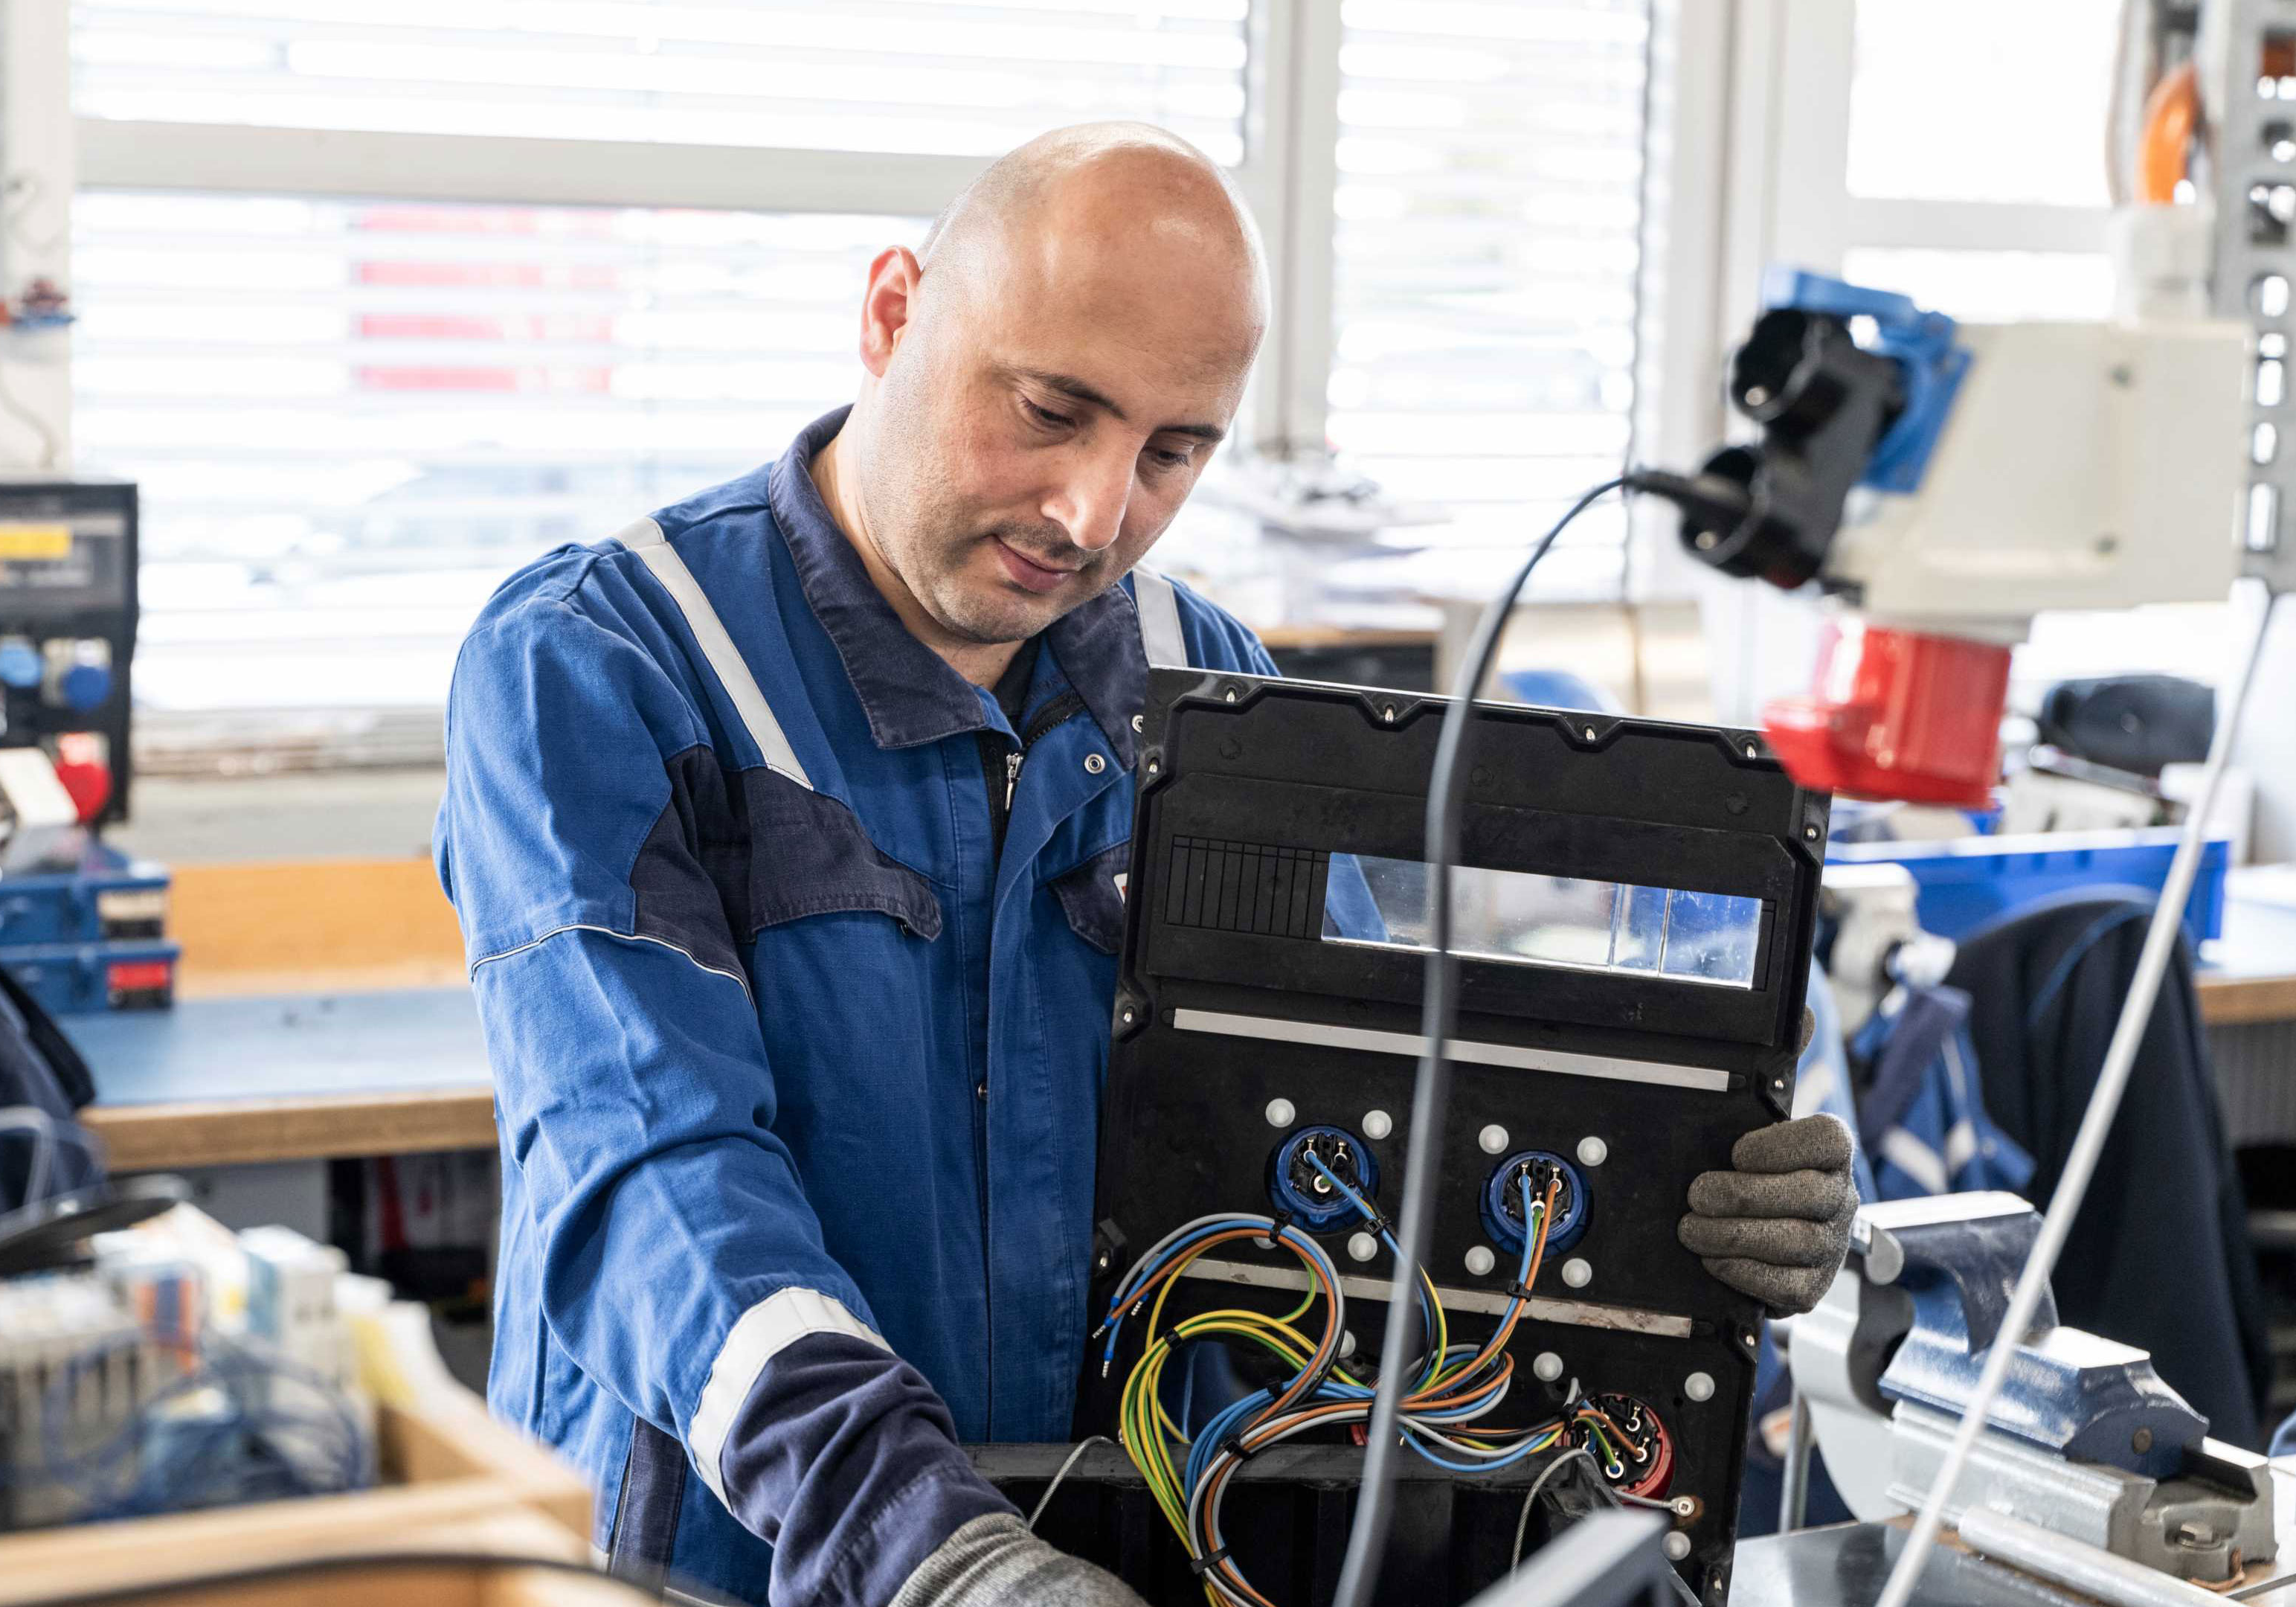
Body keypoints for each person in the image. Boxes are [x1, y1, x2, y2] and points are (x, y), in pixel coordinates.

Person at [436, 123, 1856, 1607]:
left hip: (1140, 1557)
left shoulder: (1212, 692)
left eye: (1172, 453)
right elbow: (650, 1181)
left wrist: (1669, 1229)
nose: (1093, 516)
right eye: (1052, 412)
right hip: (731, 1565)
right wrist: (927, 1550)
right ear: (893, 314)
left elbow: (1343, 1179)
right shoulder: (600, 663)